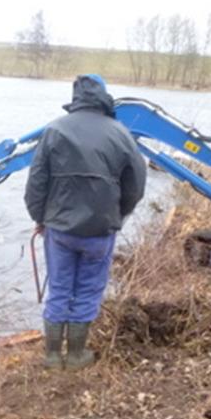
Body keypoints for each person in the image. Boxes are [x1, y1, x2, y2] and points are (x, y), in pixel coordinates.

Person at [25, 74, 146, 369]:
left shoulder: (54, 130)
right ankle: (77, 355)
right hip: (100, 231)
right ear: (103, 97)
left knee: (59, 289)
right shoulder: (121, 133)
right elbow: (136, 186)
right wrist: (118, 215)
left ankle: (53, 356)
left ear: (75, 98)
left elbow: (36, 184)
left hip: (59, 230)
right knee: (88, 290)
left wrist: (40, 218)